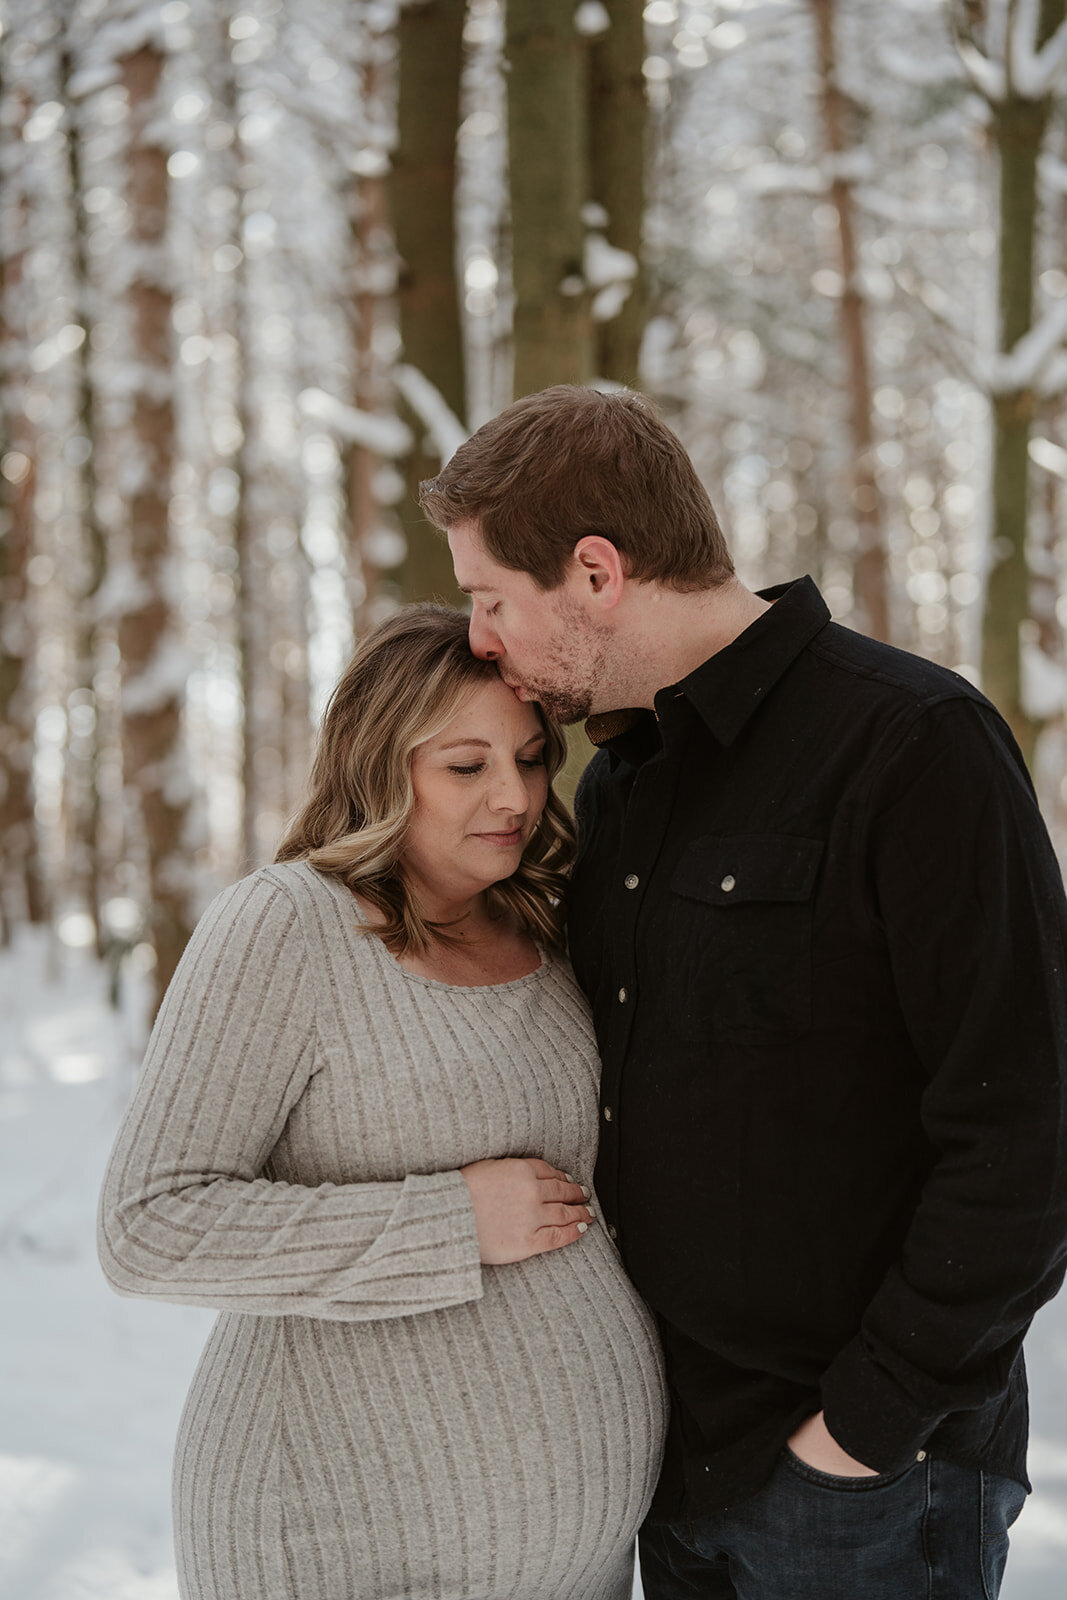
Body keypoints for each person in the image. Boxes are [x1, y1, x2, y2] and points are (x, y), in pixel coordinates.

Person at [422, 384, 1067, 1599]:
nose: (480, 640)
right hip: (671, 1466)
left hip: (862, 1484)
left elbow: (1023, 1129)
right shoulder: (620, 788)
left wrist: (860, 1431)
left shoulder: (912, 743)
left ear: (597, 572)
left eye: (490, 598)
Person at [98, 604, 667, 1600]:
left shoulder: (550, 922)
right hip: (340, 1542)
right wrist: (445, 1221)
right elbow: (149, 1225)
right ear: (377, 763)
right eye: (464, 765)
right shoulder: (287, 925)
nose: (513, 796)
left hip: (573, 1564)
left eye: (531, 759)